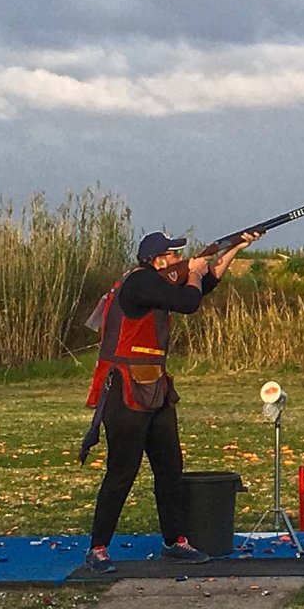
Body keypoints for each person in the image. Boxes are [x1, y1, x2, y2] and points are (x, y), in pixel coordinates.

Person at [78, 228, 260, 572]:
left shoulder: (156, 282)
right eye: (174, 256)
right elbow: (189, 302)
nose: (179, 258)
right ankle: (98, 548)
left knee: (169, 467)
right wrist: (192, 270)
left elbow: (203, 287)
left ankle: (174, 541)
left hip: (155, 386)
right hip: (125, 389)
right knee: (122, 471)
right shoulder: (140, 283)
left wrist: (235, 247)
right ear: (159, 260)